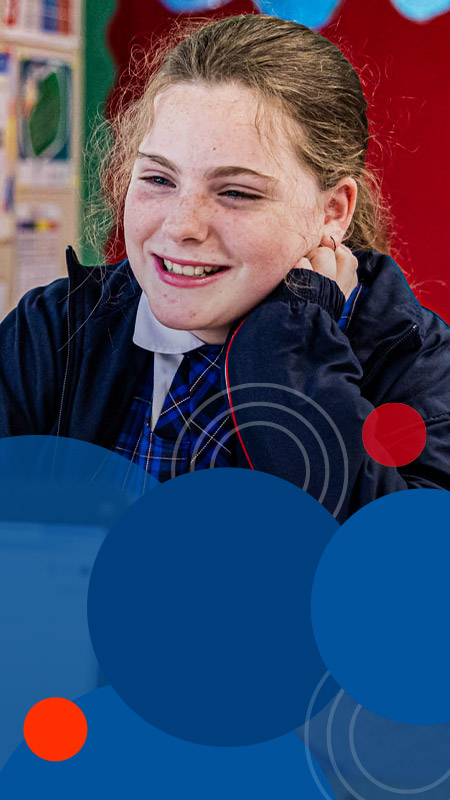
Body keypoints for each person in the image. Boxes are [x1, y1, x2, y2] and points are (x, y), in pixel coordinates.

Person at [1, 13, 449, 522]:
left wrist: (284, 349)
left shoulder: (418, 371)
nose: (181, 225)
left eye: (236, 192)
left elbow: (400, 580)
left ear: (333, 212)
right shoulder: (54, 329)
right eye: (158, 179)